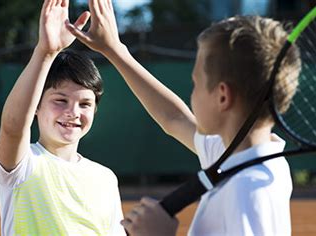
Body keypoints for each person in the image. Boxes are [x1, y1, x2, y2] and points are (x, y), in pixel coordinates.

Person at [66, 0, 301, 235]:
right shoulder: (242, 155)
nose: (193, 93)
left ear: (222, 97)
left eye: (196, 83)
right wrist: (114, 50)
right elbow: (174, 118)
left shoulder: (248, 191)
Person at [0, 0, 126, 235]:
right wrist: (45, 53)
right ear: (36, 105)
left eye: (85, 103)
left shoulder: (105, 178)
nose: (73, 112)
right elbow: (13, 128)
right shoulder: (23, 164)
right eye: (60, 100)